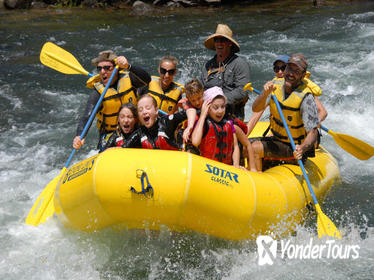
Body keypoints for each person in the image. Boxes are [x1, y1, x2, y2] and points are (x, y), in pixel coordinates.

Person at [251, 54, 320, 171]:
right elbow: (255, 108)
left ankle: (256, 182)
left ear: (303, 75)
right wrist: (264, 94)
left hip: (293, 147)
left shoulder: (306, 98)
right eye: (289, 68)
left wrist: (302, 148)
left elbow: (313, 133)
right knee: (243, 145)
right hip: (276, 140)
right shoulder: (275, 85)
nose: (291, 74)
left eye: (296, 71)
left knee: (254, 148)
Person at [73, 50, 151, 151]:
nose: (102, 72)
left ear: (116, 69)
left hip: (134, 129)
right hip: (110, 134)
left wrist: (128, 66)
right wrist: (79, 135)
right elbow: (87, 116)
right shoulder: (98, 94)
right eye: (99, 68)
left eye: (107, 68)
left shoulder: (130, 80)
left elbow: (146, 79)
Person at [191, 86, 257, 172]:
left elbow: (236, 146)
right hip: (208, 169)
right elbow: (195, 141)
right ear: (207, 107)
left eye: (223, 106)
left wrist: (236, 165)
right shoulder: (203, 124)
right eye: (215, 107)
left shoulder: (229, 124)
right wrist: (203, 115)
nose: (220, 111)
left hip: (226, 170)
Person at [201, 24, 250, 121]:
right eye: (217, 40)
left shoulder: (240, 64)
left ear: (230, 43)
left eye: (223, 40)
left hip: (231, 115)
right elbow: (202, 88)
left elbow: (242, 91)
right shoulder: (208, 65)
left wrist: (218, 101)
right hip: (208, 113)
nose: (219, 43)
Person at [122, 94, 190, 150]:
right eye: (140, 110)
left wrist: (190, 126)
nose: (144, 112)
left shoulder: (167, 122)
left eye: (147, 108)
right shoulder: (139, 133)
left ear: (156, 110)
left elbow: (190, 111)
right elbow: (122, 149)